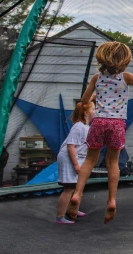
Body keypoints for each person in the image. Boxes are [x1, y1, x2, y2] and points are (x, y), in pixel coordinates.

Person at [68, 41, 133, 223]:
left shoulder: (96, 78)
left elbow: (84, 101)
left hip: (98, 122)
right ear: (124, 62)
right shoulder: (126, 77)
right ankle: (112, 200)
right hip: (117, 124)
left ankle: (77, 194)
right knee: (113, 163)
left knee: (90, 160)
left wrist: (92, 96)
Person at [54, 96, 95, 224]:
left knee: (77, 186)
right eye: (94, 109)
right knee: (69, 188)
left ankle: (72, 209)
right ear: (86, 113)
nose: (96, 111)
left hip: (78, 158)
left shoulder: (86, 127)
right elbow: (70, 146)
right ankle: (59, 217)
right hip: (69, 159)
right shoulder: (78, 126)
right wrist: (76, 165)